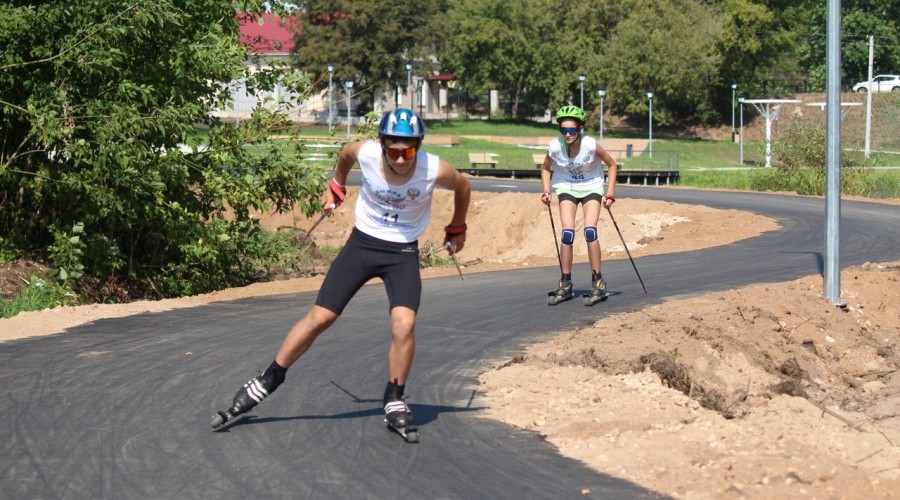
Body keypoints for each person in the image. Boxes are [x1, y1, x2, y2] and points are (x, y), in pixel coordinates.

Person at [212, 108, 471, 431]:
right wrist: (337, 183)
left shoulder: (434, 169)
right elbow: (345, 154)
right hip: (362, 245)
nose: (402, 159)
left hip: (402, 250)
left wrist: (457, 227)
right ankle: (269, 378)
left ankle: (394, 396)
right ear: (381, 145)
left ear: (419, 146)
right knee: (322, 316)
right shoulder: (365, 152)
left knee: (404, 324)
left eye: (409, 150)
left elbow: (463, 187)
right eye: (394, 150)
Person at [540, 105, 619, 302]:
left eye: (572, 130)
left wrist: (609, 193)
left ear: (580, 129)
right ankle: (565, 281)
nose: (567, 134)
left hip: (591, 186)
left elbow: (612, 164)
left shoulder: (590, 145)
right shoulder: (555, 146)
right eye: (563, 130)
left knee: (590, 231)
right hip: (566, 187)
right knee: (567, 233)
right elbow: (545, 168)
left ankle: (598, 281)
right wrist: (546, 190)